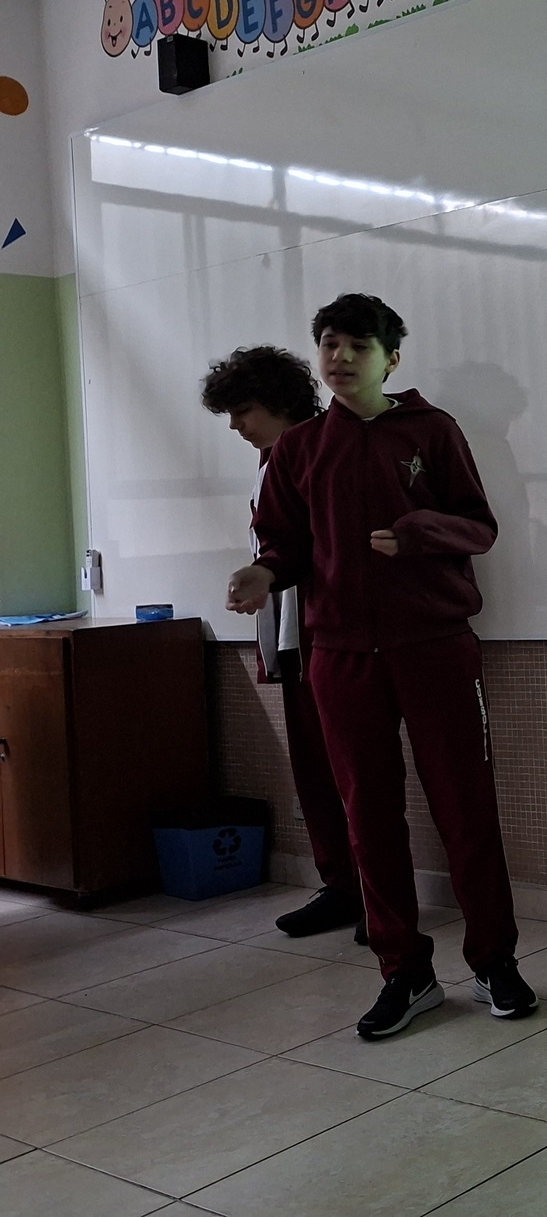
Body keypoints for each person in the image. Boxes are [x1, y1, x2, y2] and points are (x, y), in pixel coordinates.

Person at [225, 294, 537, 1040]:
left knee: (466, 809)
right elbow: (285, 545)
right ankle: (404, 971)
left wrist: (419, 532)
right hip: (339, 658)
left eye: (357, 346)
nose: (340, 358)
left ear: (390, 359)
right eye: (329, 344)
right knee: (368, 816)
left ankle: (494, 961)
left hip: (434, 647)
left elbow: (479, 527)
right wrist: (264, 573)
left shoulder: (433, 430)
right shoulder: (299, 450)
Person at [200, 346, 364, 944]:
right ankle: (341, 886)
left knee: (352, 772)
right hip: (290, 636)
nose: (236, 426)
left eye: (243, 411)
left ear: (279, 402)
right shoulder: (271, 460)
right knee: (314, 769)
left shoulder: (325, 450)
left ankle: (377, 894)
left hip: (331, 634)